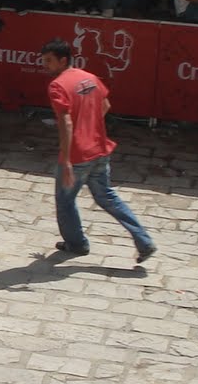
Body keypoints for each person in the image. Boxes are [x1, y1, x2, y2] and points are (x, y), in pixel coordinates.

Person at [41, 38, 156, 262]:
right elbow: (105, 106)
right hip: (99, 149)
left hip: (78, 155)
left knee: (65, 201)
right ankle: (144, 240)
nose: (45, 65)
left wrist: (65, 159)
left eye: (48, 61)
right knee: (108, 197)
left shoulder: (57, 86)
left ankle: (76, 244)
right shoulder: (89, 78)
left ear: (62, 60)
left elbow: (66, 123)